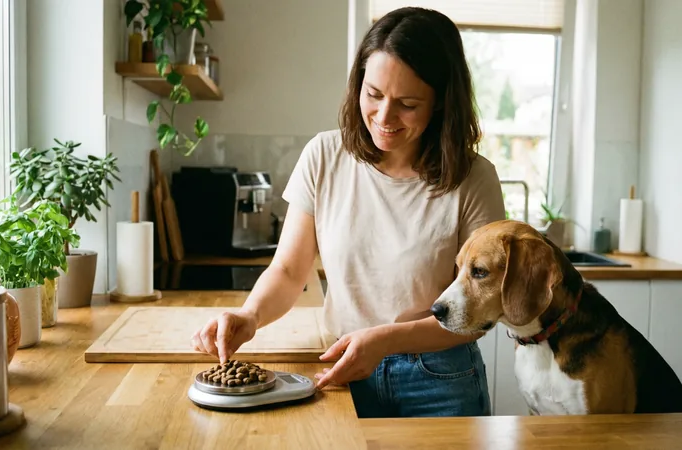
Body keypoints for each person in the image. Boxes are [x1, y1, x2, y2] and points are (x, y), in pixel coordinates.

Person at [191, 6, 506, 418]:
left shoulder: (474, 178)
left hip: (440, 380)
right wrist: (249, 316)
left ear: (442, 103)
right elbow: (288, 271)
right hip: (344, 370)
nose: (384, 116)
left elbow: (480, 313)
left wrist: (386, 340)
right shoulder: (324, 156)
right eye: (373, 95)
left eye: (408, 104)